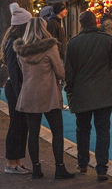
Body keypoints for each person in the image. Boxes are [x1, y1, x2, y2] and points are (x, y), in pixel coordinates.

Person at [64, 11, 112, 181]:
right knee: (102, 130)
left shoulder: (73, 43)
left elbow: (68, 70)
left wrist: (69, 89)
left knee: (82, 129)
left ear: (81, 24)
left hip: (81, 92)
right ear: (96, 22)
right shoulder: (106, 40)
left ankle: (83, 163)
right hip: (103, 92)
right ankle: (101, 168)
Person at [14, 18, 74, 179]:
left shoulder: (21, 50)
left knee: (33, 133)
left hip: (28, 95)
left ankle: (36, 169)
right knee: (57, 131)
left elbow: (21, 71)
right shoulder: (50, 47)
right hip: (49, 95)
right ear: (43, 29)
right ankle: (59, 168)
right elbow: (60, 72)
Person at [2, 3, 31, 174]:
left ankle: (17, 161)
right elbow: (14, 71)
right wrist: (20, 92)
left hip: (16, 88)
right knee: (17, 124)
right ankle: (11, 163)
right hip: (16, 89)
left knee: (20, 124)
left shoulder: (12, 41)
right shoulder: (14, 43)